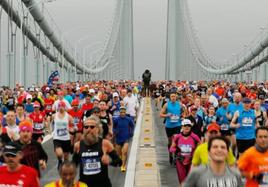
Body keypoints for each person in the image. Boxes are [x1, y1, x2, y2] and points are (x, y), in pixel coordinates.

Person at [73, 116, 122, 187]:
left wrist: (109, 162)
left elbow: (119, 162)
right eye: (86, 127)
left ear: (98, 129)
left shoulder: (105, 144)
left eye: (92, 127)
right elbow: (74, 164)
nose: (89, 129)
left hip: (103, 184)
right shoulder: (78, 145)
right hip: (84, 184)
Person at [169, 119, 201, 184]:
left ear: (190, 127)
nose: (187, 127)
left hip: (191, 161)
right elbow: (171, 148)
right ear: (182, 127)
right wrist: (177, 150)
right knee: (182, 181)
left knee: (190, 180)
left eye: (188, 126)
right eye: (185, 125)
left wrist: (195, 153)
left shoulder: (195, 137)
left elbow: (201, 147)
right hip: (180, 161)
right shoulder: (177, 137)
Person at [160, 92, 185, 164]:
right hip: (169, 126)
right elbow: (160, 115)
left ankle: (176, 156)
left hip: (177, 125)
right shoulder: (166, 105)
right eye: (172, 96)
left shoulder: (179, 104)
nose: (173, 98)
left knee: (176, 139)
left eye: (174, 96)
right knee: (170, 142)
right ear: (170, 98)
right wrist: (167, 115)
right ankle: (170, 154)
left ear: (176, 97)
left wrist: (182, 117)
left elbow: (184, 112)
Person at [51, 101, 74, 169]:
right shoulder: (54, 116)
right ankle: (60, 161)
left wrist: (72, 129)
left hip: (66, 138)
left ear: (64, 107)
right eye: (59, 107)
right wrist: (51, 131)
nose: (61, 108)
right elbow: (51, 123)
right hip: (57, 138)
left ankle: (65, 168)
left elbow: (74, 126)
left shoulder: (69, 117)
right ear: (58, 107)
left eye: (62, 107)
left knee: (66, 157)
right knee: (59, 153)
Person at [113, 106, 134, 172]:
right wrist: (115, 131)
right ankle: (122, 159)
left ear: (125, 112)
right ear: (119, 112)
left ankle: (123, 166)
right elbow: (113, 127)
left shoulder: (129, 119)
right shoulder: (116, 119)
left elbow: (132, 126)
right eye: (121, 112)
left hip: (126, 138)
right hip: (118, 138)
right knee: (119, 153)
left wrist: (131, 132)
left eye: (124, 112)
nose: (122, 113)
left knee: (124, 152)